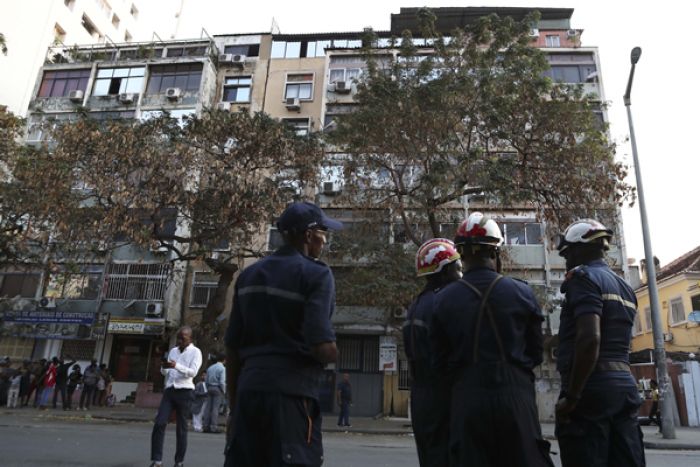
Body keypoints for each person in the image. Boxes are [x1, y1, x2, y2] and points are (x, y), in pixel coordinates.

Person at [225, 201, 341, 467]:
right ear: (309, 235)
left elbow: (232, 348)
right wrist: (333, 352)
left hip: (249, 394)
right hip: (292, 397)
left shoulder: (249, 275)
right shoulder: (316, 274)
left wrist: (234, 408)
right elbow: (320, 344)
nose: (324, 241)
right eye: (323, 234)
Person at [431, 212, 553, 467]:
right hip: (516, 399)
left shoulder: (442, 300)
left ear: (462, 256)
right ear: (496, 253)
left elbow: (438, 360)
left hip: (467, 399)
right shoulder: (522, 293)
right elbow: (536, 353)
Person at [554, 219, 645, 467]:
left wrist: (572, 397)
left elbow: (590, 338)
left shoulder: (583, 279)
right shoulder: (626, 288)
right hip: (624, 389)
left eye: (567, 253)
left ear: (580, 249)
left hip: (591, 391)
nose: (566, 259)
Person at [403, 238, 462, 467]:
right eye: (457, 268)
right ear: (444, 271)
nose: (460, 273)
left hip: (422, 398)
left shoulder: (417, 305)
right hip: (444, 397)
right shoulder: (443, 303)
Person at [149, 326, 202, 467]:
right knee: (160, 422)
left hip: (185, 392)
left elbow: (193, 372)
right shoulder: (173, 351)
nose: (179, 341)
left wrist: (176, 366)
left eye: (182, 338)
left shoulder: (196, 352)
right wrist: (164, 367)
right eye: (178, 338)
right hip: (170, 391)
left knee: (181, 428)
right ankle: (157, 461)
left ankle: (179, 462)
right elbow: (167, 372)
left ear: (190, 338)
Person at [203, 353, 226, 433]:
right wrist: (224, 391)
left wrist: (207, 388)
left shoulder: (210, 367)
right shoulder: (222, 368)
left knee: (208, 408)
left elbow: (206, 380)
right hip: (217, 388)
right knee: (215, 409)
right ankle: (213, 427)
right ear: (224, 360)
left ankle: (205, 426)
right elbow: (222, 382)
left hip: (209, 387)